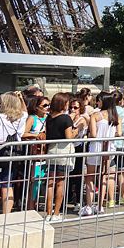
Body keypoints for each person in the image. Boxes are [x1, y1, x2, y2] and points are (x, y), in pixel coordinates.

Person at [0, 92, 28, 215]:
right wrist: (20, 98)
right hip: (14, 152)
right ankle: (6, 215)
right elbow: (25, 111)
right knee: (8, 184)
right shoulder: (22, 117)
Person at [44, 92, 82, 222]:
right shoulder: (66, 118)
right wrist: (76, 130)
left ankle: (48, 212)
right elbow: (69, 137)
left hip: (51, 151)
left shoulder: (49, 118)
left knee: (50, 183)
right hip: (63, 151)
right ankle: (56, 212)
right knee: (60, 183)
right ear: (63, 104)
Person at [83, 93, 121, 215]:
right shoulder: (115, 116)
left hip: (96, 148)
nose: (97, 103)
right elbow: (119, 133)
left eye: (98, 101)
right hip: (109, 148)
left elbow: (93, 134)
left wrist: (94, 135)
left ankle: (89, 205)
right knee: (103, 176)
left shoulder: (95, 115)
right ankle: (100, 205)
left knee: (90, 177)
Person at [22, 96, 49, 211]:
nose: (47, 108)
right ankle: (30, 207)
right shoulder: (32, 118)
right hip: (34, 153)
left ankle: (36, 204)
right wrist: (35, 136)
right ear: (37, 107)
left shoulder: (49, 118)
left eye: (49, 105)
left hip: (45, 153)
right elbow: (23, 134)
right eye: (44, 105)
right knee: (34, 182)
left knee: (42, 180)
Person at [112, 91, 124, 206]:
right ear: (121, 101)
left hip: (110, 144)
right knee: (123, 171)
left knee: (109, 172)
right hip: (123, 142)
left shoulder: (108, 112)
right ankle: (123, 196)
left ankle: (109, 198)